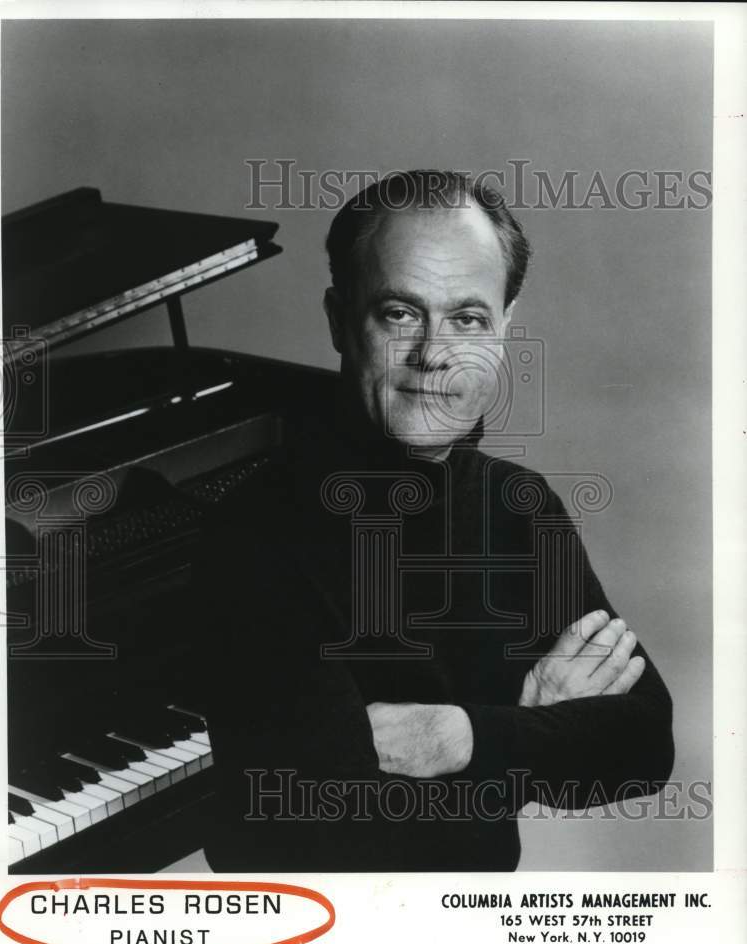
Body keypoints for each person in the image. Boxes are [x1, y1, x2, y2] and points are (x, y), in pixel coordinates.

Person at [196, 170, 674, 872]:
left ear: (506, 327)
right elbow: (308, 822)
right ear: (338, 318)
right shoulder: (256, 530)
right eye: (399, 313)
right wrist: (534, 721)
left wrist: (467, 736)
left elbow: (642, 747)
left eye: (468, 317)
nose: (433, 353)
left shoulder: (519, 503)